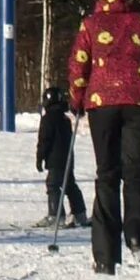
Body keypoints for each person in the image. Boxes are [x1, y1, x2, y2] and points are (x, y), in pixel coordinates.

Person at [66, 0, 140, 275]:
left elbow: (79, 66)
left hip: (100, 102)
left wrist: (77, 100)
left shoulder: (90, 24)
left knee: (106, 175)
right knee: (135, 174)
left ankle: (104, 255)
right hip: (139, 102)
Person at [35, 80, 88, 231]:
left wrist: (40, 158)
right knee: (69, 184)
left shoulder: (47, 119)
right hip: (68, 159)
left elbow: (44, 140)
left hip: (55, 160)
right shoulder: (65, 119)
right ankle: (79, 213)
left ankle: (55, 215)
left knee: (53, 185)